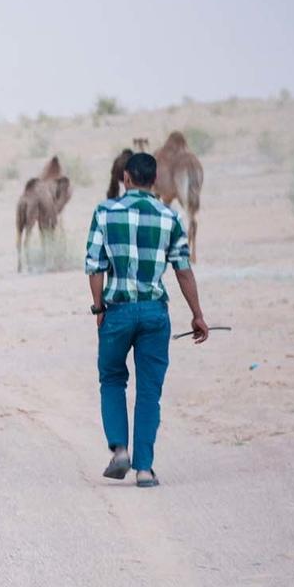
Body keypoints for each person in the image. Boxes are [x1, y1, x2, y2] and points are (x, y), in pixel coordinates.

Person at [84, 151, 210, 487]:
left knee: (112, 378)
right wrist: (197, 315)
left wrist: (98, 308)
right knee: (149, 391)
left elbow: (95, 267)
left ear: (126, 178)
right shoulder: (170, 217)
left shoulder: (104, 212)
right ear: (154, 181)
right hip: (155, 312)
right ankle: (144, 469)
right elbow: (183, 270)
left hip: (118, 311)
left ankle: (120, 449)